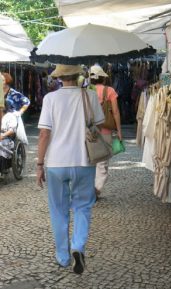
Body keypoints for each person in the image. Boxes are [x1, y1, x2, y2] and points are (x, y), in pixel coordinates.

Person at [36, 64, 105, 274]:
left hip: (57, 163)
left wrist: (39, 164)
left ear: (59, 78)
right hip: (84, 161)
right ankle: (78, 246)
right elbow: (99, 126)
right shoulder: (90, 96)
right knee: (83, 206)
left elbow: (44, 134)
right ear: (78, 76)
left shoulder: (50, 99)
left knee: (58, 209)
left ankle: (63, 257)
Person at [89, 65, 122, 198]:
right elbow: (115, 112)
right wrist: (119, 130)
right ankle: (96, 191)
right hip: (106, 131)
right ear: (103, 77)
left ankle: (88, 190)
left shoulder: (86, 91)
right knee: (102, 164)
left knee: (90, 161)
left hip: (89, 131)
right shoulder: (110, 91)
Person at [0, 102, 17, 171]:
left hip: (7, 137)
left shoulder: (10, 116)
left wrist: (3, 135)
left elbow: (12, 130)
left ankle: (3, 169)